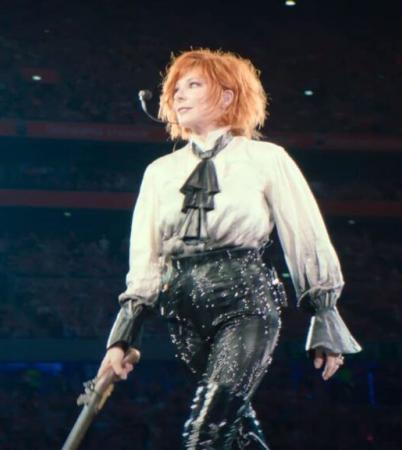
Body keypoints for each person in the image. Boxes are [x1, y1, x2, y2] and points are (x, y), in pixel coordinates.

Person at [97, 48, 362, 449]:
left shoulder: (266, 158)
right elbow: (145, 258)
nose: (177, 96)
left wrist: (324, 315)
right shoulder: (159, 172)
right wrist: (124, 336)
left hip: (245, 303)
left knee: (204, 433)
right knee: (236, 432)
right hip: (182, 311)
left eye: (193, 85)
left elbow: (305, 235)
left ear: (225, 96)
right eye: (175, 89)